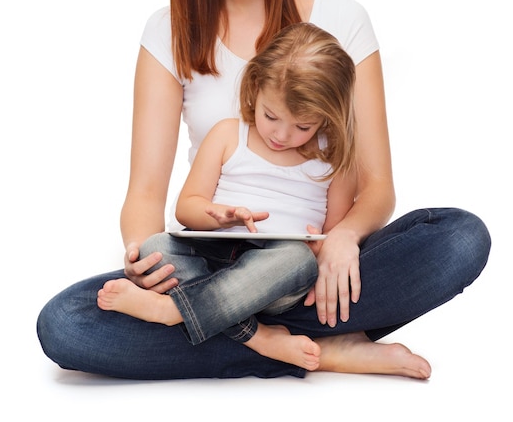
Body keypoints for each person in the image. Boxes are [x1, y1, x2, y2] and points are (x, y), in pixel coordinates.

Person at [37, 0, 491, 381]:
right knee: (66, 323)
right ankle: (313, 346)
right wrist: (143, 258)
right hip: (207, 264)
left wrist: (343, 238)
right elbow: (145, 193)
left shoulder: (341, 20)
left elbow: (376, 186)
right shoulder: (168, 32)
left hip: (306, 264)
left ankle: (225, 332)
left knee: (459, 236)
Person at [96, 22, 367, 372]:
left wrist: (319, 247)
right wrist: (217, 214)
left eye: (303, 127)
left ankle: (172, 310)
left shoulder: (335, 162)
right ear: (256, 87)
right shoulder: (228, 135)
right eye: (271, 116)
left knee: (300, 261)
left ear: (329, 117)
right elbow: (187, 206)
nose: (282, 135)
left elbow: (331, 237)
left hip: (272, 276)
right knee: (153, 249)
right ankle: (260, 338)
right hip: (212, 257)